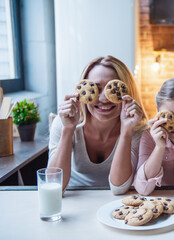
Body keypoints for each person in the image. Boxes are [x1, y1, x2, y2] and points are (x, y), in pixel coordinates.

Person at [48, 55, 147, 194]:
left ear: (127, 92)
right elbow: (53, 185)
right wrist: (68, 130)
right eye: (96, 88)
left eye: (112, 90)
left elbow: (119, 188)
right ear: (82, 92)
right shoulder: (63, 122)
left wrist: (126, 132)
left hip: (117, 204)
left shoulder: (139, 131)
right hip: (73, 199)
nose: (104, 98)